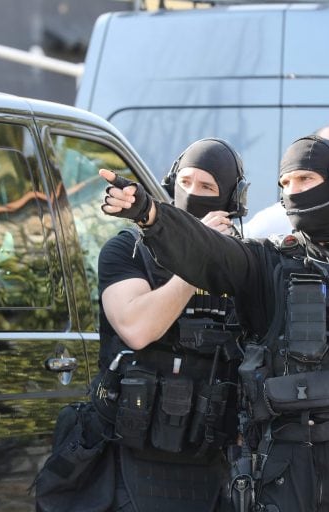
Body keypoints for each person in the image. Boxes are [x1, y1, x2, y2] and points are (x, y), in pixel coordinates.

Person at [100, 134, 329, 511]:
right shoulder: (267, 261)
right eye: (284, 184)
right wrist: (150, 214)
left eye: (304, 180)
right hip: (292, 464)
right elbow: (208, 253)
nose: (292, 192)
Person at [96, 138, 248, 511]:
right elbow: (137, 329)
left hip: (212, 464)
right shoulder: (127, 249)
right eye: (185, 181)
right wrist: (199, 259)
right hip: (134, 460)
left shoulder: (245, 261)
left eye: (207, 187)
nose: (192, 193)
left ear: (230, 200)